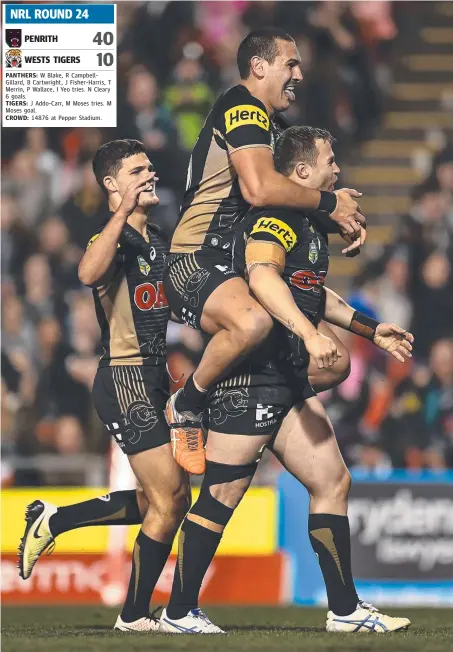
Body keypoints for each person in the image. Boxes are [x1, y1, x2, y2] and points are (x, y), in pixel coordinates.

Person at [159, 126, 412, 634]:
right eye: (329, 160)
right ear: (302, 171)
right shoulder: (274, 219)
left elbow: (314, 294)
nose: (336, 170)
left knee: (333, 480)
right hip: (250, 378)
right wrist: (306, 334)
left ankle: (344, 611)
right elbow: (262, 277)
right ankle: (178, 612)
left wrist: (370, 328)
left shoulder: (309, 224)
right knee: (221, 496)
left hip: (284, 378)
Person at [163, 28, 366, 474]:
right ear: (259, 66)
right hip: (194, 261)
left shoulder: (273, 128)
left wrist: (337, 214)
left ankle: (237, 393)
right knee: (254, 321)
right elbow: (259, 188)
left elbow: (295, 188)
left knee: (334, 363)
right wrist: (330, 204)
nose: (298, 73)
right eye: (289, 64)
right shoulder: (243, 109)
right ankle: (187, 403)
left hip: (231, 267)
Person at [18, 140, 190, 633]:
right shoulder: (111, 240)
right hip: (125, 376)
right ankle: (134, 616)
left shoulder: (158, 239)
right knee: (173, 495)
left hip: (155, 379)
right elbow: (87, 272)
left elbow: (168, 305)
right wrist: (124, 214)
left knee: (160, 500)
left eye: (151, 168)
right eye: (138, 170)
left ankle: (54, 521)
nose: (150, 175)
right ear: (112, 185)